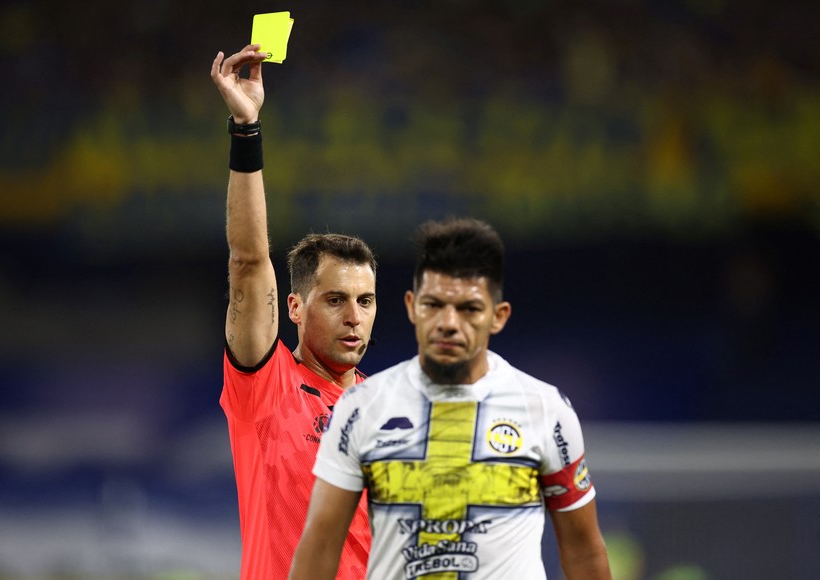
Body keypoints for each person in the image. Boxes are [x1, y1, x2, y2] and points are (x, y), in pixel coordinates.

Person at [290, 217, 612, 579]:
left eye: (469, 309)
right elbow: (319, 548)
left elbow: (584, 552)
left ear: (498, 316)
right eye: (434, 304)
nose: (448, 322)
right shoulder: (361, 409)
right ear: (412, 307)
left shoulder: (545, 410)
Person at [210, 44, 375, 579]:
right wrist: (246, 128)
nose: (354, 317)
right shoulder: (267, 387)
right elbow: (248, 261)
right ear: (295, 308)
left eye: (365, 301)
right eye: (336, 300)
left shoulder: (389, 408)